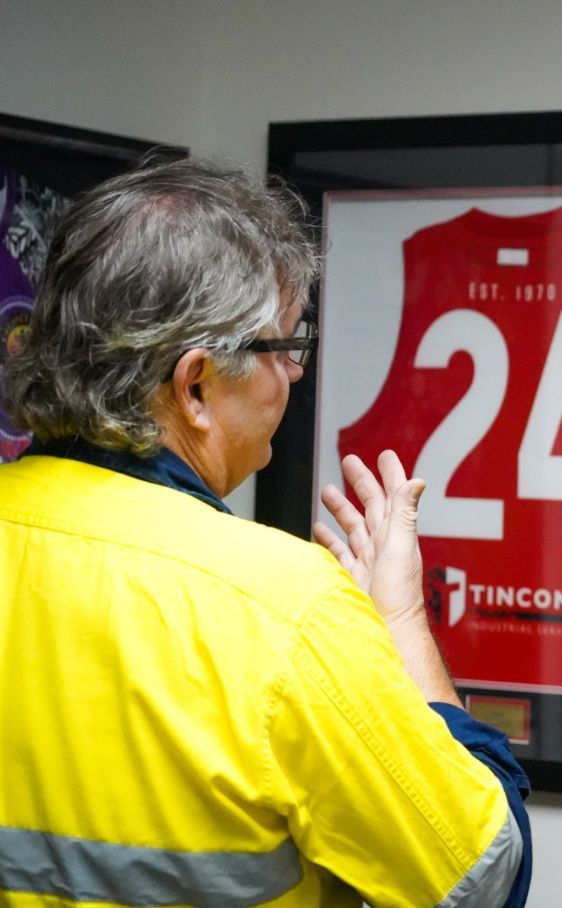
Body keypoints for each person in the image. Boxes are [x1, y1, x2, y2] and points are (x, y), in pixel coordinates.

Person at [0, 158, 530, 907]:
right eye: (284, 348)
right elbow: (484, 880)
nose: (296, 374)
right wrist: (405, 624)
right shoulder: (287, 608)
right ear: (194, 388)